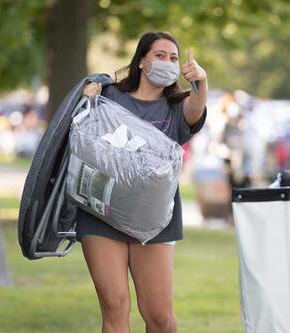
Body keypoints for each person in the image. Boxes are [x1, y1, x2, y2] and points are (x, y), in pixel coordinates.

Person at [79, 31, 207, 333]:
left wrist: (200, 82)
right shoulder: (109, 97)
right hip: (102, 212)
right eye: (160, 56)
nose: (167, 62)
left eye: (173, 58)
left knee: (159, 317)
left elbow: (196, 109)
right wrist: (87, 95)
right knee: (115, 307)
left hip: (154, 219)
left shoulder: (178, 105)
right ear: (141, 61)